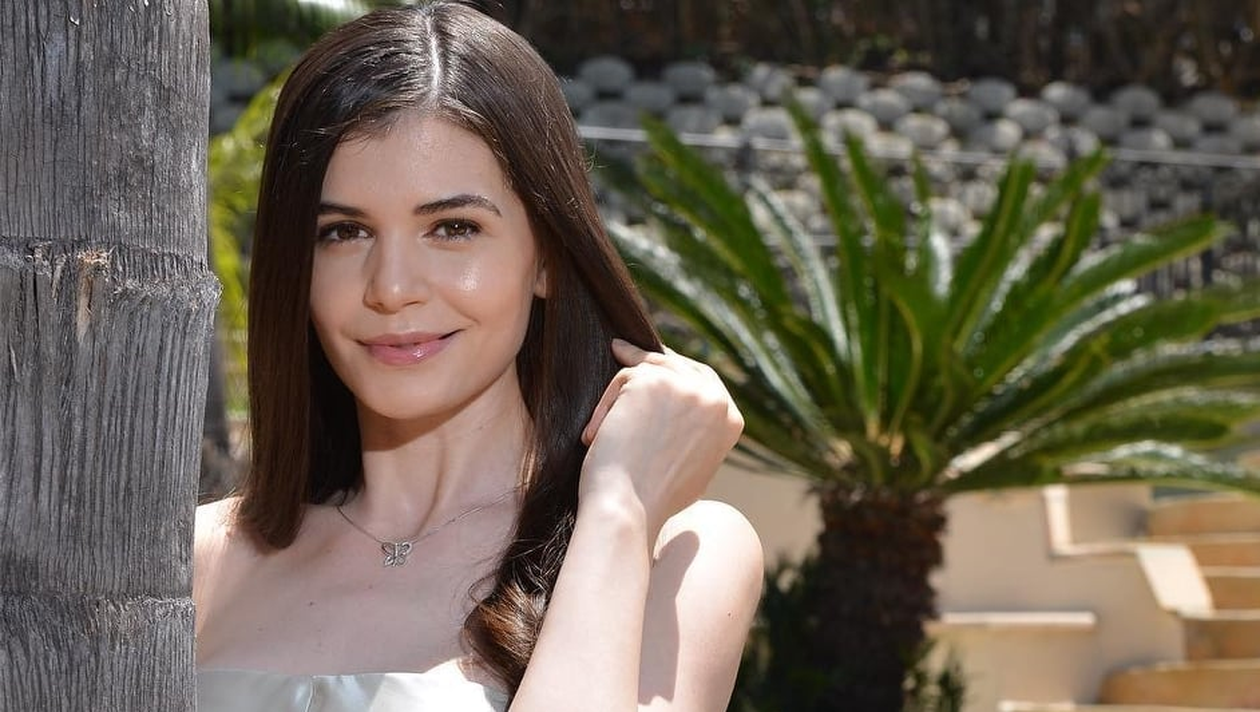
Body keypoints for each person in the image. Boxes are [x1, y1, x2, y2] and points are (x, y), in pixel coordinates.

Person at [192, 3, 763, 711]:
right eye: (343, 233)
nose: (391, 288)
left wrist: (618, 510)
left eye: (452, 227)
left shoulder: (678, 554)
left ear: (547, 255)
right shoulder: (199, 561)